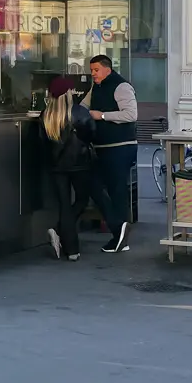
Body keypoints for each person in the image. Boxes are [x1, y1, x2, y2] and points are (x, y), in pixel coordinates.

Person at [79, 54, 138, 253]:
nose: (93, 74)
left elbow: (131, 114)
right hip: (103, 147)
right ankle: (118, 228)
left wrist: (102, 115)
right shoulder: (96, 87)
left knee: (117, 190)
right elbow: (83, 107)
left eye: (96, 70)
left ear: (107, 69)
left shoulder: (121, 87)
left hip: (121, 146)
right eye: (91, 70)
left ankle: (120, 237)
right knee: (94, 185)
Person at [40, 77, 92, 261]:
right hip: (79, 164)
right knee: (82, 200)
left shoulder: (46, 115)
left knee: (64, 205)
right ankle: (62, 235)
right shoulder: (78, 112)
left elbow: (42, 144)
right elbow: (91, 133)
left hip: (56, 166)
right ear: (68, 93)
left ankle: (71, 249)